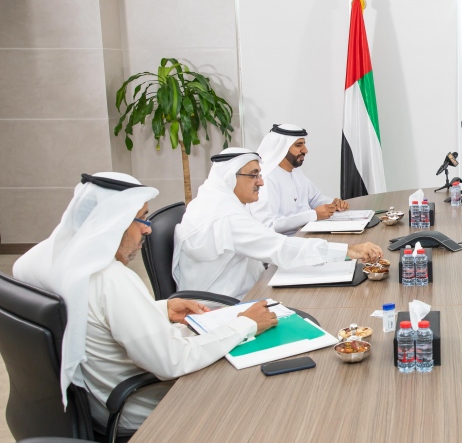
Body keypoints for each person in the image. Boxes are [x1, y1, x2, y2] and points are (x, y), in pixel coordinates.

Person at [12, 172, 278, 430]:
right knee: (257, 394)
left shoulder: (40, 260)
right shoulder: (112, 279)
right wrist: (245, 324)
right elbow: (173, 361)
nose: (147, 229)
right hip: (141, 410)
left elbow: (91, 315)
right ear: (113, 222)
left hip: (90, 405)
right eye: (140, 219)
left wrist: (162, 308)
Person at [173, 148, 383, 298]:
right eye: (254, 175)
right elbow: (279, 247)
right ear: (230, 177)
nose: (261, 182)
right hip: (225, 305)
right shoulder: (224, 215)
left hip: (244, 288)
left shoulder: (213, 200)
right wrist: (349, 250)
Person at [249, 124, 349, 236]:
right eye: (298, 145)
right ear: (282, 148)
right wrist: (313, 215)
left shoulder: (296, 172)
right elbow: (269, 225)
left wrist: (333, 204)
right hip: (286, 240)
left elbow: (315, 198)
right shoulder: (266, 179)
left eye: (304, 144)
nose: (305, 150)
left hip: (307, 234)